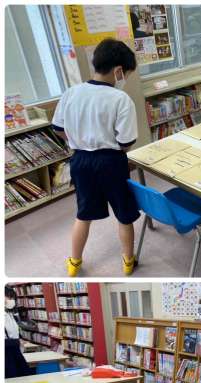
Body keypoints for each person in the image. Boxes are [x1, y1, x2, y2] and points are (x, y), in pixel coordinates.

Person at [52, 38, 140, 277]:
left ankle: (74, 262)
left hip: (80, 161)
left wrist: (77, 140)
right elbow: (126, 142)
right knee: (124, 214)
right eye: (126, 74)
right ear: (118, 70)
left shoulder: (71, 92)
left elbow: (57, 128)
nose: (124, 79)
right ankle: (128, 261)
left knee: (83, 214)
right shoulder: (121, 99)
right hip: (111, 162)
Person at [5, 286, 48, 383]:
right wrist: (16, 341)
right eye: (8, 297)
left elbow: (16, 330)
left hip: (16, 352)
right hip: (6, 356)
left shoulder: (10, 313)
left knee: (27, 382)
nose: (11, 300)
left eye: (12, 297)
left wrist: (19, 339)